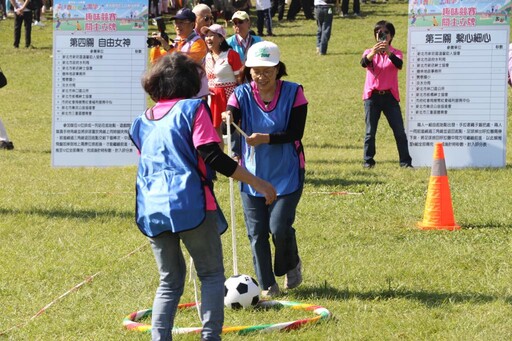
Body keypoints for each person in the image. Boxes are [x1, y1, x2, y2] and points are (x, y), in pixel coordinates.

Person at [129, 53, 276, 341]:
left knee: (169, 280)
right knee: (210, 275)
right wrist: (258, 182)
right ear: (187, 82)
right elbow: (211, 156)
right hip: (191, 204)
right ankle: (210, 337)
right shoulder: (193, 110)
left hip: (151, 208)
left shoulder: (141, 121)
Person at [222, 41, 308, 297]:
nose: (261, 76)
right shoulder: (240, 94)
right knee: (257, 232)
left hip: (288, 170)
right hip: (251, 173)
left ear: (278, 69)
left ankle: (290, 263)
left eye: (267, 70)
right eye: (255, 70)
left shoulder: (295, 93)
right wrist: (228, 117)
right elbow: (232, 113)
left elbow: (296, 132)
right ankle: (268, 285)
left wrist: (265, 138)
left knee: (279, 227)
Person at [360, 20, 412, 168]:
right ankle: (368, 162)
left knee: (399, 132)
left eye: (385, 32)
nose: (381, 35)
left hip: (390, 97)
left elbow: (399, 64)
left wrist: (388, 52)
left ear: (391, 35)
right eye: (378, 32)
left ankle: (405, 162)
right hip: (372, 97)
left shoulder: (396, 53)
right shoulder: (369, 53)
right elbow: (363, 63)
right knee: (370, 132)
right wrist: (373, 53)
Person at [202, 24, 243, 150]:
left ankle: (237, 155)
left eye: (211, 35)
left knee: (234, 126)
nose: (208, 38)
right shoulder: (207, 56)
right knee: (216, 129)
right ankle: (220, 159)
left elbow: (240, 79)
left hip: (229, 95)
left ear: (221, 38)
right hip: (213, 98)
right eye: (206, 36)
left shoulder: (231, 55)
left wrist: (240, 98)